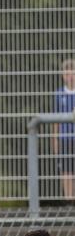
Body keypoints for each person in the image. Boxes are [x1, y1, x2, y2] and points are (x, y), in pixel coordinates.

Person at [53, 59, 75, 199]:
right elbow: (55, 120)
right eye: (67, 74)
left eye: (72, 73)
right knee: (66, 171)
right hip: (65, 138)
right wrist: (55, 139)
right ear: (63, 76)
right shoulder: (59, 93)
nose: (70, 76)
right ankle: (68, 200)